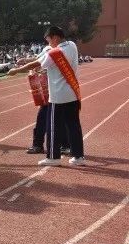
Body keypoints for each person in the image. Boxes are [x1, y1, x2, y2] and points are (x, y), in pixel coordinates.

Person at [8, 26, 84, 166]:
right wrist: (26, 60)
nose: (48, 43)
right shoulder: (72, 45)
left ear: (55, 37)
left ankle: (53, 157)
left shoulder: (55, 53)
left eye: (48, 40)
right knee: (74, 126)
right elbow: (41, 59)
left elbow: (38, 63)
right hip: (72, 93)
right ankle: (78, 157)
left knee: (54, 126)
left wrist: (17, 71)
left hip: (58, 96)